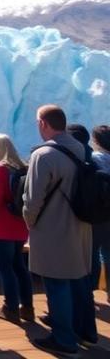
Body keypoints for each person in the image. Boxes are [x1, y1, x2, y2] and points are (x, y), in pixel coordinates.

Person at [24, 105, 97, 354]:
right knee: (78, 281)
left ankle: (64, 340)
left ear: (44, 123)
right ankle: (84, 333)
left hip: (52, 229)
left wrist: (30, 222)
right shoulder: (81, 149)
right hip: (81, 227)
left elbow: (32, 199)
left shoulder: (43, 155)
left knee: (56, 284)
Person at [0, 133, 33, 322]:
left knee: (6, 268)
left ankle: (10, 308)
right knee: (19, 266)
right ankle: (27, 307)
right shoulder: (22, 168)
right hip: (20, 225)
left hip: (1, 226)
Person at [92, 125, 110, 305]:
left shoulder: (95, 158)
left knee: (93, 252)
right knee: (108, 253)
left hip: (99, 213)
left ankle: (91, 289)